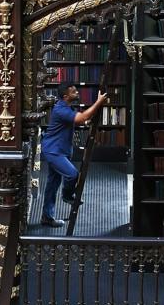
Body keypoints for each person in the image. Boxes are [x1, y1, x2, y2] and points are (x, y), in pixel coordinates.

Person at [39, 84, 109, 227]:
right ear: (65, 97)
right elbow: (81, 118)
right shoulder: (60, 109)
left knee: (52, 185)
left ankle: (47, 217)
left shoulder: (65, 107)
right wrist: (98, 102)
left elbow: (77, 120)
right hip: (54, 151)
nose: (77, 92)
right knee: (71, 174)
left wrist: (86, 119)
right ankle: (67, 195)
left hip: (59, 150)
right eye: (73, 91)